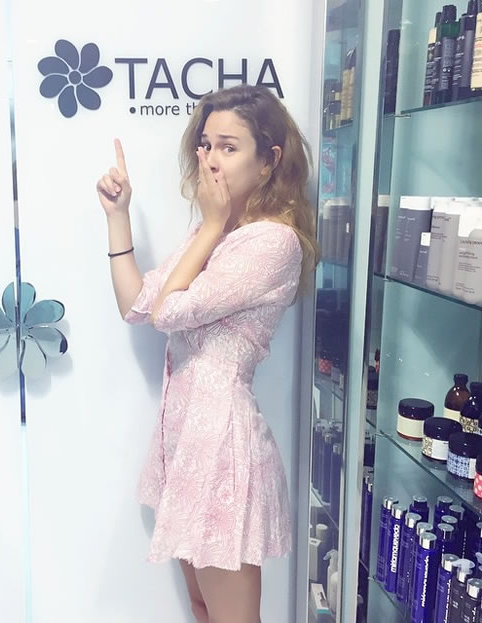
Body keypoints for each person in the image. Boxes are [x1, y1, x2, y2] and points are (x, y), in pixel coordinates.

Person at [96, 84, 317, 623]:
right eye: (207, 145)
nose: (212, 160)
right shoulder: (209, 232)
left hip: (222, 448)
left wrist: (213, 225)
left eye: (229, 147)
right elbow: (138, 305)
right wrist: (118, 215)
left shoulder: (272, 242)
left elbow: (168, 313)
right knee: (202, 607)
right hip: (184, 441)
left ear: (269, 161)